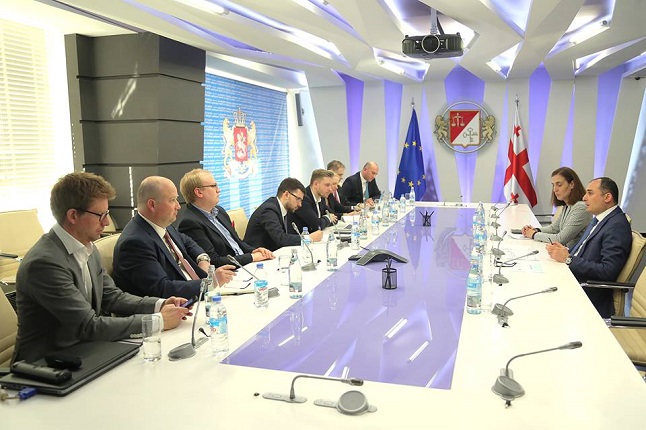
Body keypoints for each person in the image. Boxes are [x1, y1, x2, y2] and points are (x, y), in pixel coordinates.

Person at [13, 172, 190, 363]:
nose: (106, 222)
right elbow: (87, 326)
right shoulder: (45, 263)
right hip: (44, 365)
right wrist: (158, 321)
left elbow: (112, 296)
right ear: (73, 215)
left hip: (85, 351)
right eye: (101, 215)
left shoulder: (87, 247)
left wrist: (160, 304)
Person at [113, 176, 235, 299]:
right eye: (172, 200)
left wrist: (202, 258)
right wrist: (210, 283)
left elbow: (187, 241)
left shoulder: (162, 224)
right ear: (152, 204)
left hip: (196, 293)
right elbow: (161, 289)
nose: (178, 206)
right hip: (178, 303)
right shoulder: (135, 243)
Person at [546, 177, 632, 318]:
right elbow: (583, 251)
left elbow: (608, 271)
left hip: (587, 295)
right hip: (572, 279)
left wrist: (568, 259)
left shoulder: (617, 226)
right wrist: (565, 251)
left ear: (607, 197)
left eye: (590, 193)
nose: (584, 198)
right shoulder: (600, 218)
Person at [177, 168, 274, 267]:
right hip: (230, 271)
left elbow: (237, 243)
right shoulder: (190, 222)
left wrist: (254, 251)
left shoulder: (220, 211)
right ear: (199, 192)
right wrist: (252, 257)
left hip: (245, 264)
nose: (218, 190)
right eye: (214, 186)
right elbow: (213, 261)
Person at [244, 177, 323, 251]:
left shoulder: (283, 208)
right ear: (286, 195)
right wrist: (309, 238)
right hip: (257, 256)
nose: (300, 204)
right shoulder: (269, 210)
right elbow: (281, 239)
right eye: (298, 199)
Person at [521, 167, 591, 248]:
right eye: (553, 185)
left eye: (559, 185)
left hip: (571, 254)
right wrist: (536, 230)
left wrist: (533, 234)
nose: (555, 190)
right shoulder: (567, 206)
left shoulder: (581, 208)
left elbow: (560, 239)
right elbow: (554, 228)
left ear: (572, 184)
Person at [288, 169, 337, 233]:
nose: (330, 189)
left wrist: (324, 220)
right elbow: (317, 226)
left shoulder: (321, 197)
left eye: (331, 185)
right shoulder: (303, 199)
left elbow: (334, 217)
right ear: (316, 184)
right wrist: (327, 218)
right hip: (300, 238)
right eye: (327, 185)